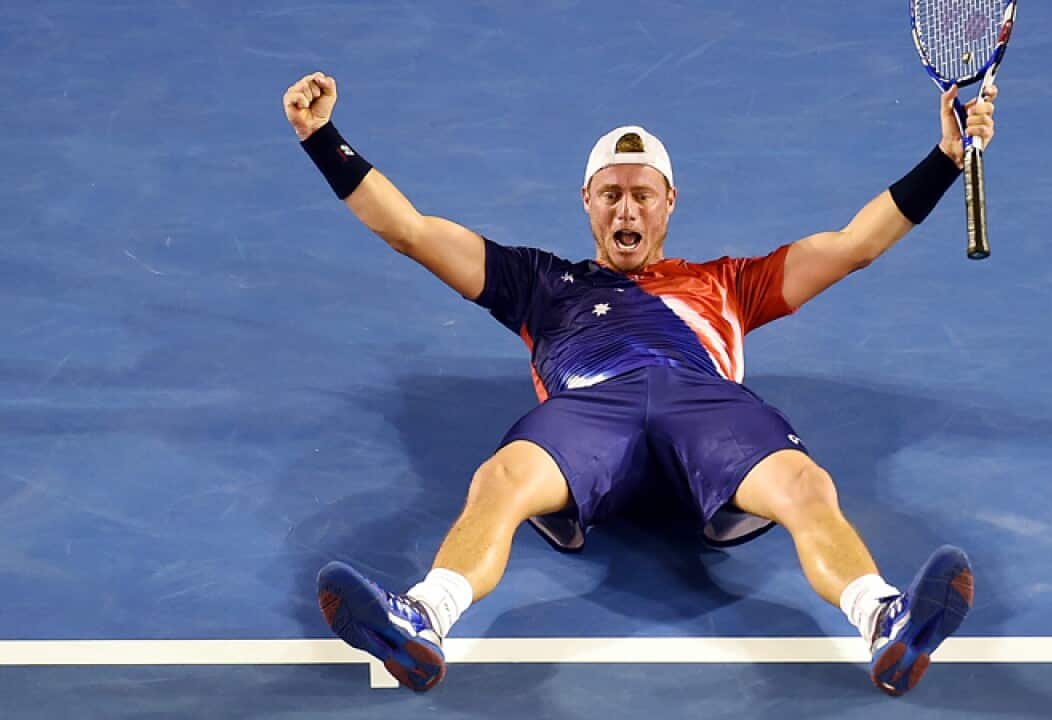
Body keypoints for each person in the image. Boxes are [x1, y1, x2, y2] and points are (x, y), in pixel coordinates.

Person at [282, 69, 996, 698]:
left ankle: (883, 617)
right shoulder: (538, 283)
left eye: (642, 196)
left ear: (670, 202)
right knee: (502, 478)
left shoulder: (729, 283)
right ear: (586, 202)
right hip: (593, 411)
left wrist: (943, 158)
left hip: (704, 407)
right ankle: (425, 618)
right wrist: (323, 138)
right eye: (611, 195)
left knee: (806, 486)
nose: (627, 211)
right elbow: (410, 231)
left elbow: (854, 246)